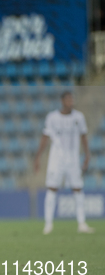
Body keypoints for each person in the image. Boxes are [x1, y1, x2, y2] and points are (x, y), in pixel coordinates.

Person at [34, 91, 94, 234]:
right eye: (68, 99)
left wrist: (87, 154)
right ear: (62, 101)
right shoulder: (52, 117)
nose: (71, 102)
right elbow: (45, 137)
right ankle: (48, 224)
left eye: (72, 99)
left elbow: (83, 135)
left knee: (78, 188)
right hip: (57, 159)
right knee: (52, 188)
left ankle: (82, 223)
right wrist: (38, 157)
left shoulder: (79, 117)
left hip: (73, 158)